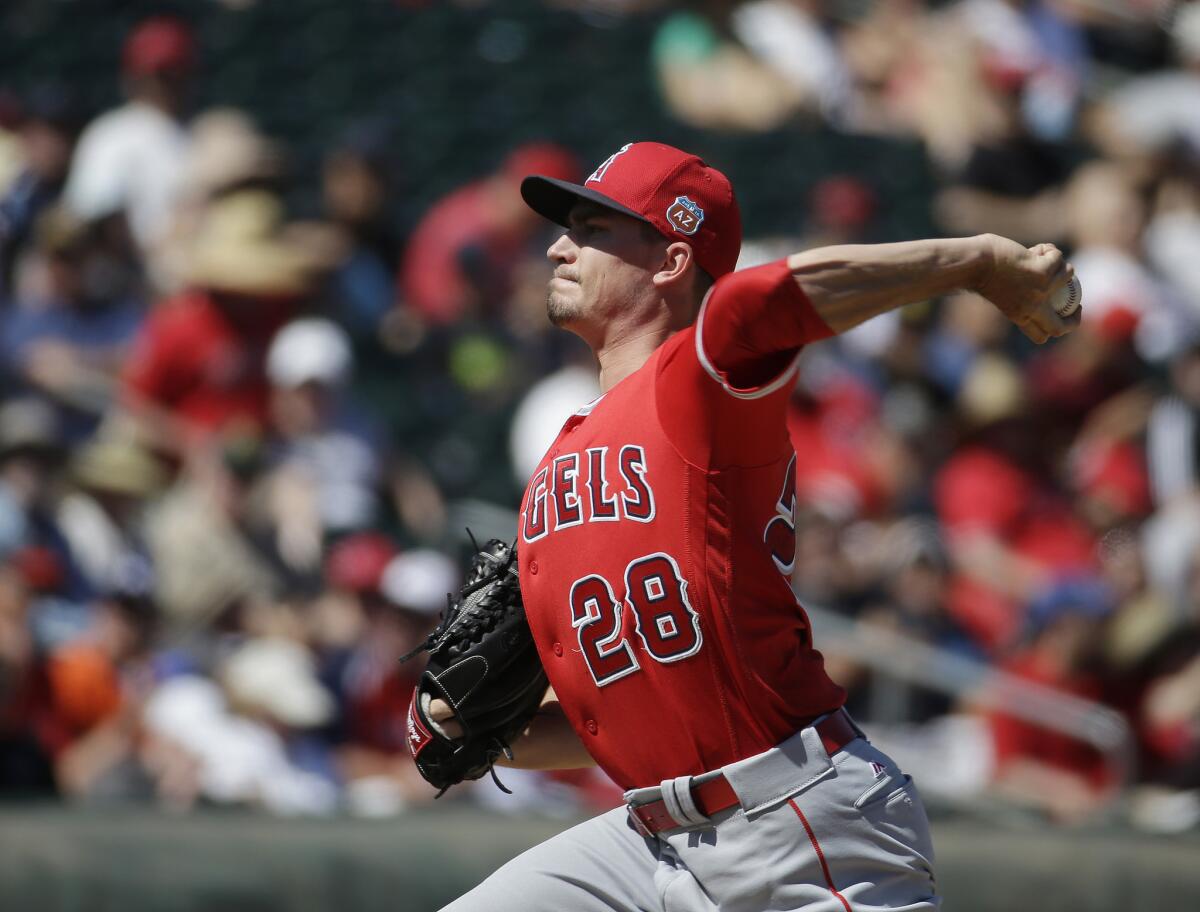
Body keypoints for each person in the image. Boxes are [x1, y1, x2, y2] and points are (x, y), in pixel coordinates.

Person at [433, 141, 1079, 911]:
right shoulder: (562, 455)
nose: (556, 244)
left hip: (800, 824)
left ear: (671, 262)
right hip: (650, 838)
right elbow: (628, 708)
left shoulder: (696, 385)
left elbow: (761, 303)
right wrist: (479, 733)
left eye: (592, 226)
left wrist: (974, 261)